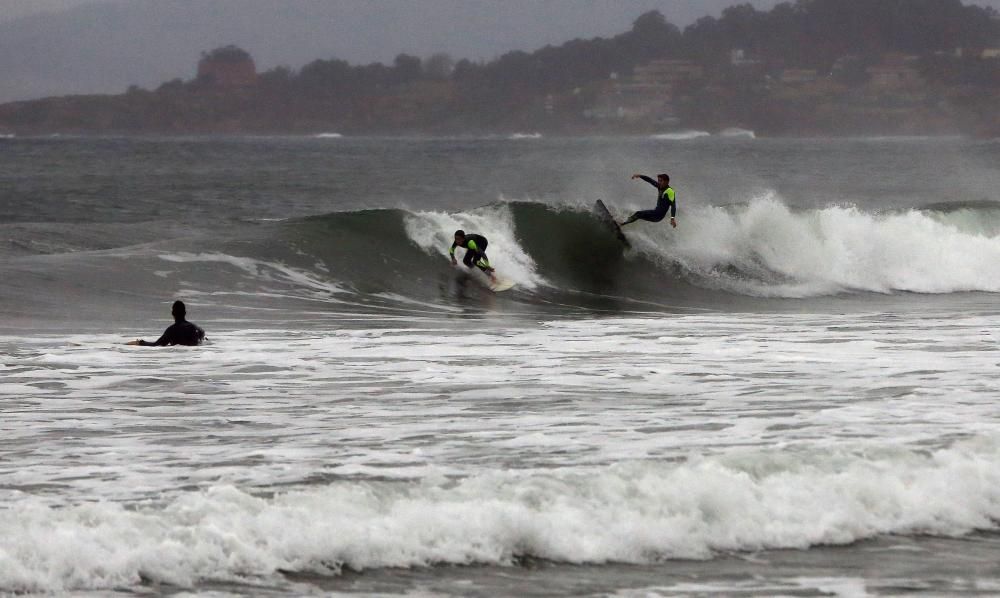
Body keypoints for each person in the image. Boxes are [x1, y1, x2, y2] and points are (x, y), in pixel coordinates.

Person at [127, 300, 205, 346]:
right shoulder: (195, 328)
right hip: (194, 357)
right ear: (185, 313)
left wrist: (140, 342)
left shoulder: (172, 330)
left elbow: (156, 345)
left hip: (178, 356)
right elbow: (200, 339)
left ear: (172, 313)